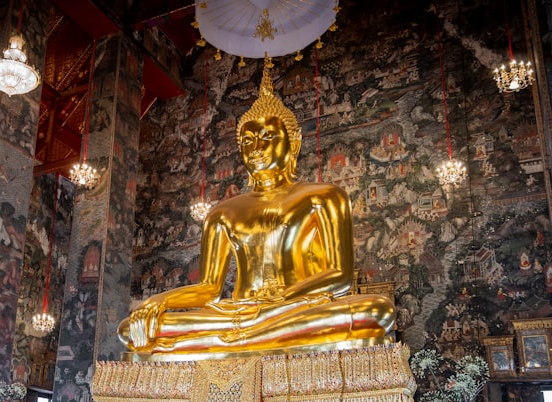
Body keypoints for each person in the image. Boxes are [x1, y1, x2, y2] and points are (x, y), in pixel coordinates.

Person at [118, 60, 394, 356]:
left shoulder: (324, 195)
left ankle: (235, 340)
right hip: (238, 311)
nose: (257, 149)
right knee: (131, 329)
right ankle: (250, 336)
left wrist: (284, 296)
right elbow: (209, 288)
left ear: (293, 142)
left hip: (295, 307)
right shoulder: (222, 212)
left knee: (375, 312)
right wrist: (159, 301)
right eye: (247, 142)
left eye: (268, 138)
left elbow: (340, 275)